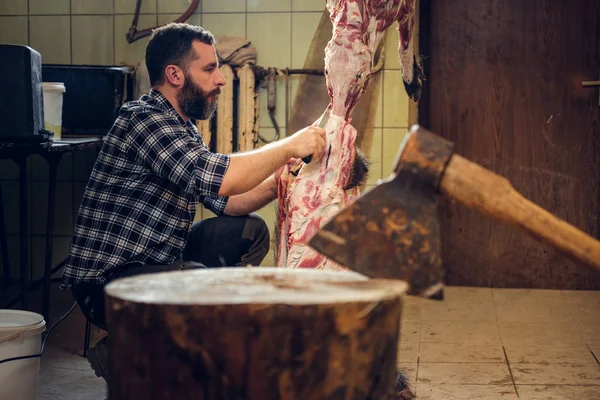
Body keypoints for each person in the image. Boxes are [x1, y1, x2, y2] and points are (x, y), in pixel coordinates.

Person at [59, 22, 326, 383]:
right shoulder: (143, 119)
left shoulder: (182, 128)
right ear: (175, 74)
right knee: (207, 289)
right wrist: (290, 144)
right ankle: (137, 348)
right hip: (108, 284)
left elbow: (227, 201)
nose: (220, 79)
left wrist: (278, 184)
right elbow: (216, 175)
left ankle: (182, 337)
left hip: (156, 261)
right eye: (209, 68)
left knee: (249, 231)